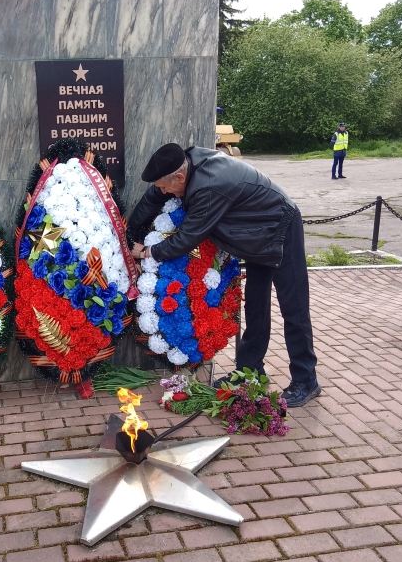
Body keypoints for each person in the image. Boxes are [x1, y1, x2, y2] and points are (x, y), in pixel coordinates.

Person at [128, 143, 319, 407]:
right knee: (255, 306)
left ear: (180, 177)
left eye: (165, 186)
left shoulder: (208, 187)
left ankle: (306, 380)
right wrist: (130, 233)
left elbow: (187, 239)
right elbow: (153, 197)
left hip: (280, 226)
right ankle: (250, 373)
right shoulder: (184, 166)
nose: (163, 192)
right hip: (256, 236)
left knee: (294, 307)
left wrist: (145, 252)